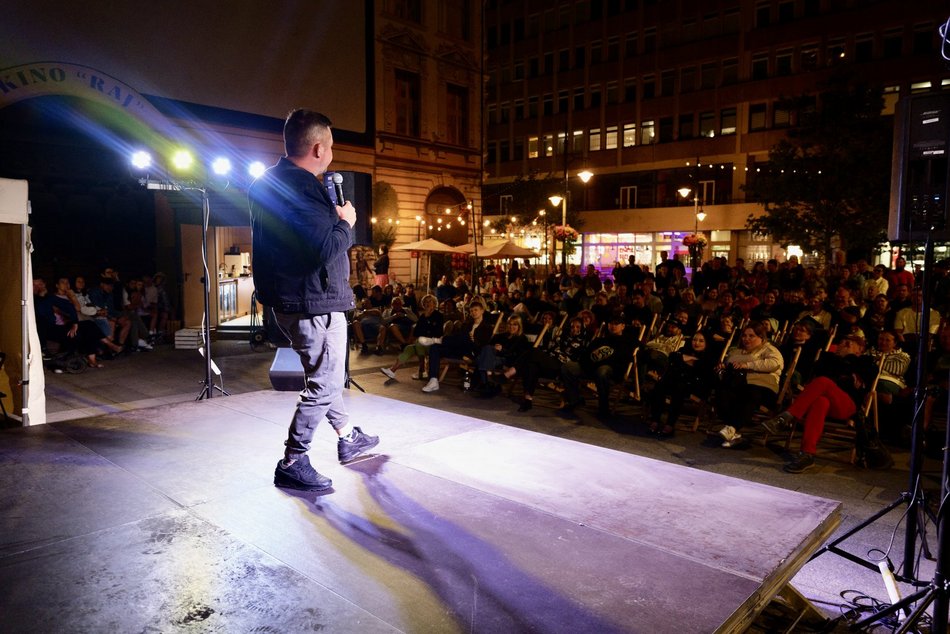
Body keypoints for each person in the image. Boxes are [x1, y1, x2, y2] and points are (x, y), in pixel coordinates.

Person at [249, 108, 379, 493]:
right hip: (313, 301)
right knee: (325, 381)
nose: (333, 154)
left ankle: (347, 435)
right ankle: (293, 460)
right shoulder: (303, 187)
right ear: (319, 147)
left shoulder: (268, 183)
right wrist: (345, 222)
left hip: (294, 300)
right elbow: (322, 249)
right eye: (333, 147)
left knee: (324, 374)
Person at [761, 333, 880, 473]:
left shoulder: (866, 361)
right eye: (843, 342)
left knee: (824, 381)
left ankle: (786, 417)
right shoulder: (827, 357)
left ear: (860, 349)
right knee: (820, 401)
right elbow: (818, 371)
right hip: (824, 403)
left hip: (847, 405)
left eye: (850, 343)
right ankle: (807, 454)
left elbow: (868, 375)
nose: (845, 345)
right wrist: (847, 370)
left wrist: (849, 358)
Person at [716, 321, 784, 448]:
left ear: (761, 337)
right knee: (722, 392)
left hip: (763, 386)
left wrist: (748, 365)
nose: (746, 339)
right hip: (739, 384)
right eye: (744, 335)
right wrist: (723, 369)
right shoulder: (736, 352)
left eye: (751, 336)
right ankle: (733, 432)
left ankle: (732, 427)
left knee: (749, 393)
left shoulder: (769, 349)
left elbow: (774, 363)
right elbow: (728, 366)